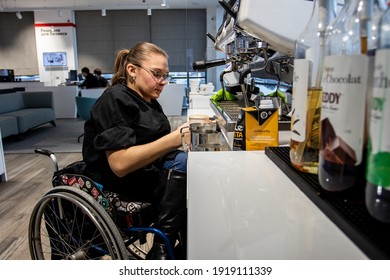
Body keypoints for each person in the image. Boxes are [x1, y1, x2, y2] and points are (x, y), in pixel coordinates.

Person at [82, 42, 190, 260]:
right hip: (118, 182)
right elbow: (120, 165)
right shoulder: (114, 99)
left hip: (146, 173)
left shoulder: (148, 100)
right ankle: (163, 246)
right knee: (183, 164)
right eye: (157, 74)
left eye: (165, 76)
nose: (163, 82)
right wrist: (175, 139)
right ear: (132, 70)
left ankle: (185, 248)